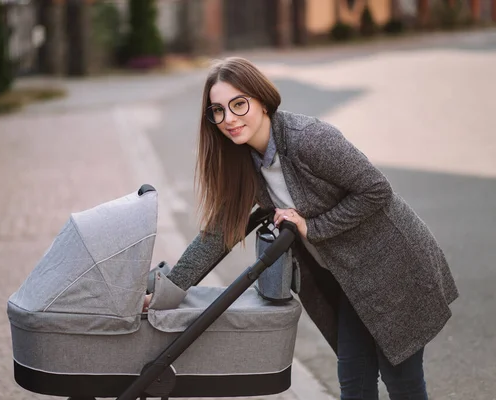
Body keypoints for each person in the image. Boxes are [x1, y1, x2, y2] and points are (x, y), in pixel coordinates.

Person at [143, 57, 458, 400]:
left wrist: (312, 226)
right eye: (217, 110)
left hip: (392, 269)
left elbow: (376, 189)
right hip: (351, 282)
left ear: (262, 101)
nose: (228, 119)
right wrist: (168, 292)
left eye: (238, 104)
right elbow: (217, 236)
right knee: (356, 384)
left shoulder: (308, 139)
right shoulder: (246, 162)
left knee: (403, 383)